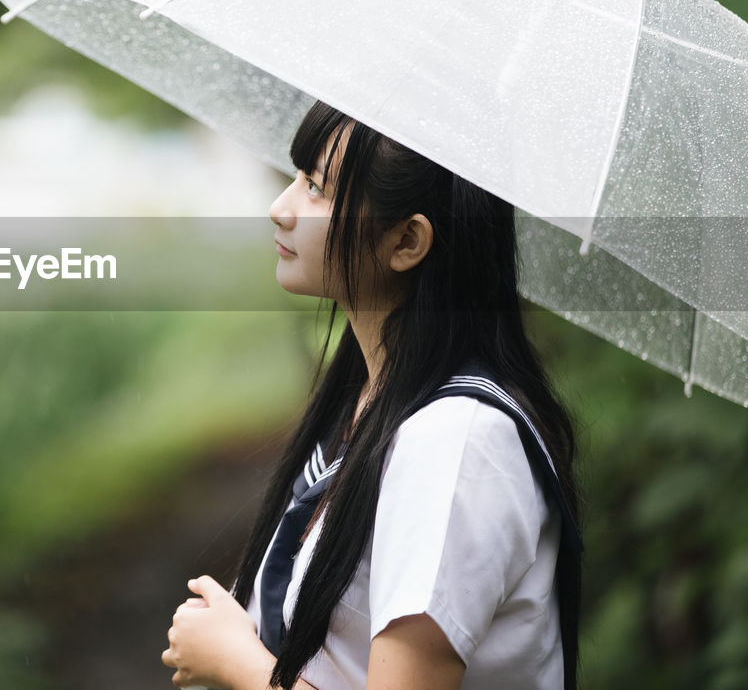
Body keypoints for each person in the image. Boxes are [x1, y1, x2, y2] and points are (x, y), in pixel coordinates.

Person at [161, 101, 582, 690]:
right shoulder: (375, 397)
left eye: (315, 188)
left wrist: (237, 661)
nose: (280, 209)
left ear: (407, 241)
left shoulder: (456, 442)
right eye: (297, 177)